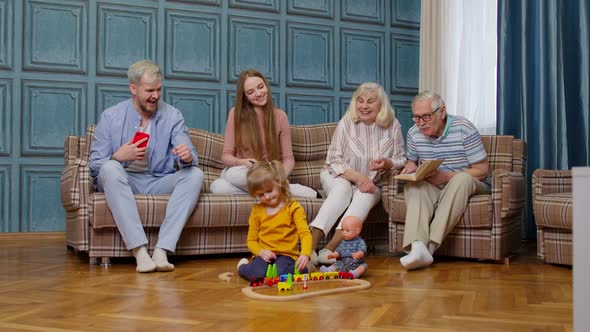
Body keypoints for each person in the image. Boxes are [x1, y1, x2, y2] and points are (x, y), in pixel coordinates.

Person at [89, 60, 204, 273]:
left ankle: (162, 250)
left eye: (159, 89)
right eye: (150, 90)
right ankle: (140, 252)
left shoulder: (172, 115)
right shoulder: (111, 116)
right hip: (124, 180)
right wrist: (118, 157)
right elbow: (96, 167)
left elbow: (189, 154)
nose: (156, 96)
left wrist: (187, 157)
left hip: (158, 180)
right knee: (110, 168)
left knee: (195, 174)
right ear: (133, 89)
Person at [310, 82, 406, 265]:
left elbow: (401, 158)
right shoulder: (347, 122)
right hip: (338, 175)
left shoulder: (393, 125)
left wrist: (387, 163)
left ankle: (329, 250)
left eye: (370, 101)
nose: (364, 106)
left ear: (381, 105)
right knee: (342, 192)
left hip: (372, 183)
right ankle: (308, 249)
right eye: (360, 101)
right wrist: (359, 178)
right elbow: (333, 159)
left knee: (364, 196)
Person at [399, 91, 490, 271]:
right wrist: (410, 166)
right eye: (416, 118)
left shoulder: (464, 128)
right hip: (434, 184)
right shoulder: (413, 133)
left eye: (425, 117)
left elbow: (483, 170)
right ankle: (417, 247)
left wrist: (447, 176)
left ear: (441, 112)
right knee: (414, 186)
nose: (420, 123)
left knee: (461, 179)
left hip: (468, 183)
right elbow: (412, 160)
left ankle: (429, 249)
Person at [209, 69, 318, 198]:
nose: (258, 93)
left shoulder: (280, 116)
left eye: (260, 87)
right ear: (245, 97)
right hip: (241, 171)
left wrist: (280, 177)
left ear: (266, 85)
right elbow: (226, 157)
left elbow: (288, 159)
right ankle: (285, 189)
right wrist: (243, 162)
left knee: (222, 185)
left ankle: (267, 189)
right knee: (218, 185)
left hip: (268, 172)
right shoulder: (235, 114)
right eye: (251, 92)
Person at [236, 160, 312, 282]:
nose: (266, 197)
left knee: (281, 274)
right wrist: (261, 252)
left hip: (287, 255)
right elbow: (251, 240)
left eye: (269, 190)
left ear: (279, 184)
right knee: (256, 275)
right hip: (264, 255)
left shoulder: (293, 207)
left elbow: (305, 234)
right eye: (260, 194)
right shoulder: (257, 211)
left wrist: (305, 254)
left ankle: (302, 268)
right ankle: (242, 267)